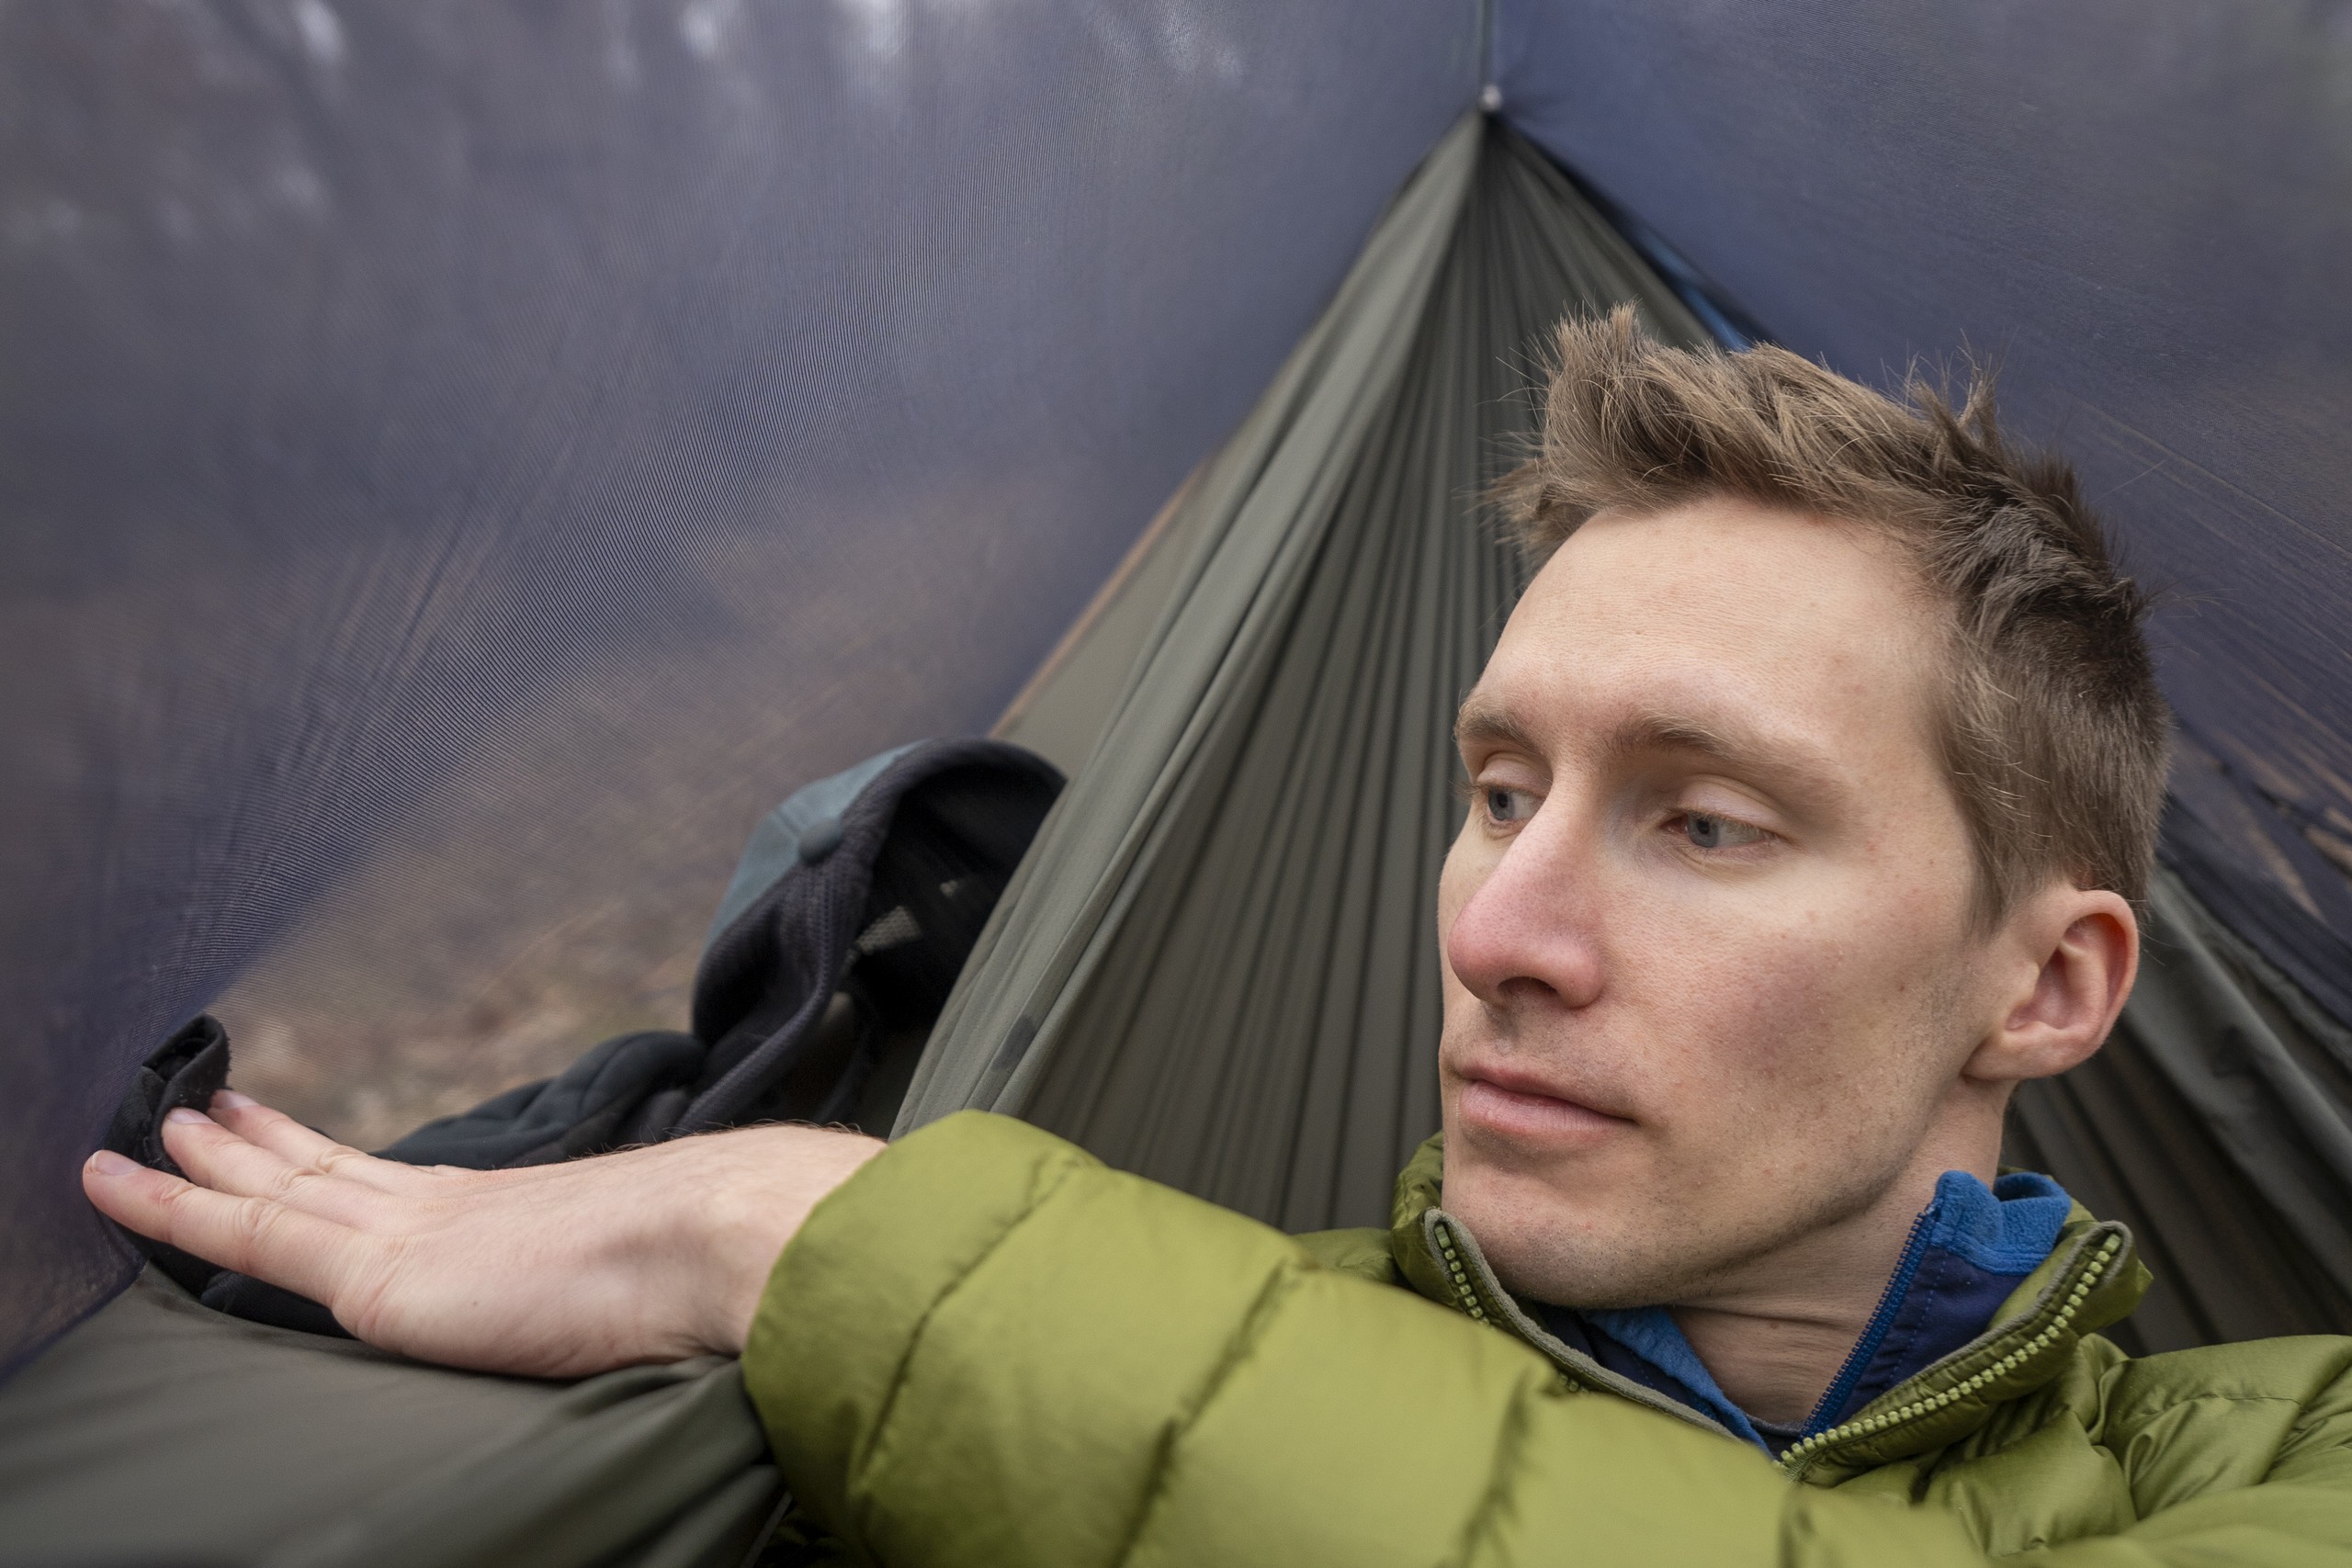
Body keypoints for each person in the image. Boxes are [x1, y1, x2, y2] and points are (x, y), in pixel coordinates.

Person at [84, 313, 2352, 1564]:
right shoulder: (1107, 1360)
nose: (1504, 925)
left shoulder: (2291, 1452)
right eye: (1493, 790)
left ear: (2040, 981)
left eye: (1700, 819)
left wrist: (809, 1238)